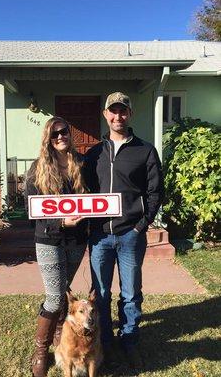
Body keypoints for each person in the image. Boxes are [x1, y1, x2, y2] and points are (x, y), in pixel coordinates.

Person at [84, 92, 163, 369]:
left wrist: (141, 225)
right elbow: (83, 193)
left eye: (123, 111)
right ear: (106, 115)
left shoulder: (145, 150)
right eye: (113, 111)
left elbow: (155, 192)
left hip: (131, 234)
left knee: (130, 292)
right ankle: (103, 343)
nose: (118, 116)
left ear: (130, 114)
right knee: (101, 292)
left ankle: (129, 341)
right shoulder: (94, 154)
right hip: (100, 236)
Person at [25, 116, 87, 377]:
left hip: (76, 240)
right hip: (49, 239)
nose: (60, 137)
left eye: (64, 132)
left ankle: (59, 337)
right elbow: (32, 209)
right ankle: (41, 349)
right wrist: (61, 220)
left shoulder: (81, 163)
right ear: (47, 139)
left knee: (63, 293)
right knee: (53, 297)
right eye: (55, 134)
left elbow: (93, 197)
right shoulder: (37, 168)